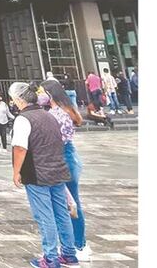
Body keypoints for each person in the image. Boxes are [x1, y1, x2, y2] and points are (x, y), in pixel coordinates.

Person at [8, 82, 77, 268]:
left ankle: (50, 258)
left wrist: (16, 172)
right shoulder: (49, 115)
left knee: (44, 215)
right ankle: (69, 254)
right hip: (57, 169)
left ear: (18, 99)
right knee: (61, 213)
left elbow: (20, 148)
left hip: (38, 172)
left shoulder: (24, 119)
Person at [42, 79, 92, 262]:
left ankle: (77, 245)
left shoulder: (57, 113)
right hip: (70, 156)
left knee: (70, 203)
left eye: (42, 92)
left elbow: (56, 140)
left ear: (49, 94)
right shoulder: (65, 111)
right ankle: (75, 244)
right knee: (70, 201)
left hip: (62, 157)